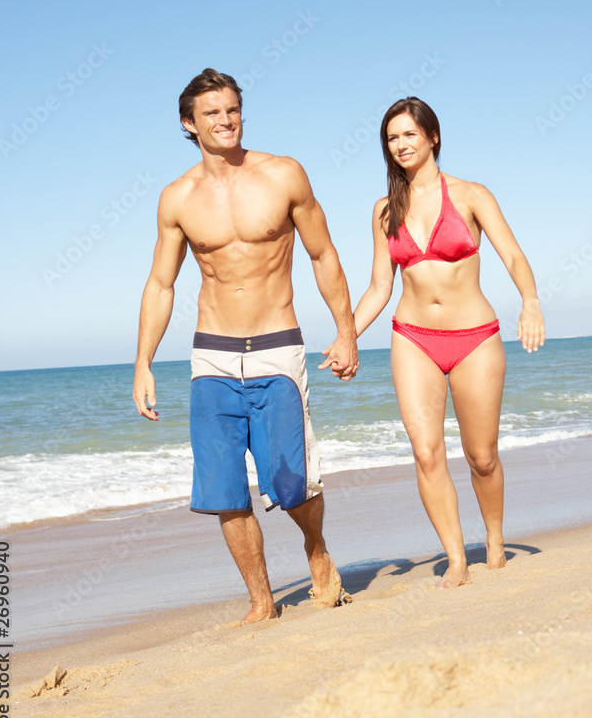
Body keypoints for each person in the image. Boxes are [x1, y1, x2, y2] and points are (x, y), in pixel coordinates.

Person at [133, 68, 358, 622]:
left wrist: (346, 329)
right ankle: (262, 602)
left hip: (277, 346)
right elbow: (161, 283)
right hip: (211, 352)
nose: (225, 120)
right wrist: (142, 363)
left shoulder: (283, 175)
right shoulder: (177, 198)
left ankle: (317, 549)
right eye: (211, 113)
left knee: (292, 481)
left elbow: (323, 254)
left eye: (232, 109)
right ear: (189, 124)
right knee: (222, 486)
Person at [353, 97, 544, 589]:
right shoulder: (384, 211)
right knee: (426, 452)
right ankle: (457, 557)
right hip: (412, 338)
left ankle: (495, 541)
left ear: (432, 137)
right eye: (392, 138)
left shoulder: (471, 195)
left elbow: (515, 256)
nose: (400, 145)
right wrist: (346, 335)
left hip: (475, 339)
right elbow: (379, 287)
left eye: (409, 134)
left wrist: (531, 303)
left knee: (482, 456)